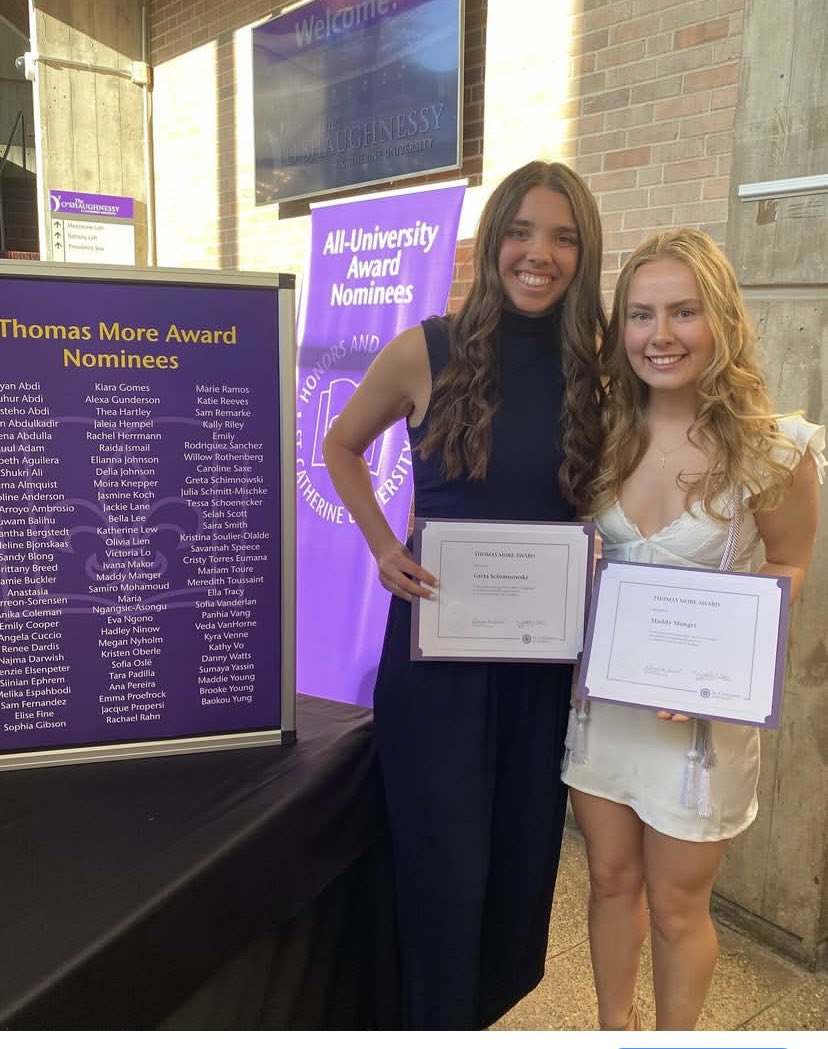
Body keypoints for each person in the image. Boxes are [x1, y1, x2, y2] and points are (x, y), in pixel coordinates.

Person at [323, 161, 607, 1029]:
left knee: (519, 876)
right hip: (438, 662)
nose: (539, 254)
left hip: (536, 669)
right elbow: (340, 447)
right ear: (492, 243)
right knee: (442, 876)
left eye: (563, 237)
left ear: (584, 254)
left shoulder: (597, 371)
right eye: (521, 231)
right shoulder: (427, 347)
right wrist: (380, 546)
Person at [562, 228, 824, 1031]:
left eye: (683, 311)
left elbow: (788, 569)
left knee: (678, 906)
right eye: (641, 314)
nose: (660, 334)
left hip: (699, 723)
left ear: (721, 321)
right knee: (607, 879)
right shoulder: (602, 430)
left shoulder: (774, 448)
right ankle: (616, 1023)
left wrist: (718, 673)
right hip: (605, 705)